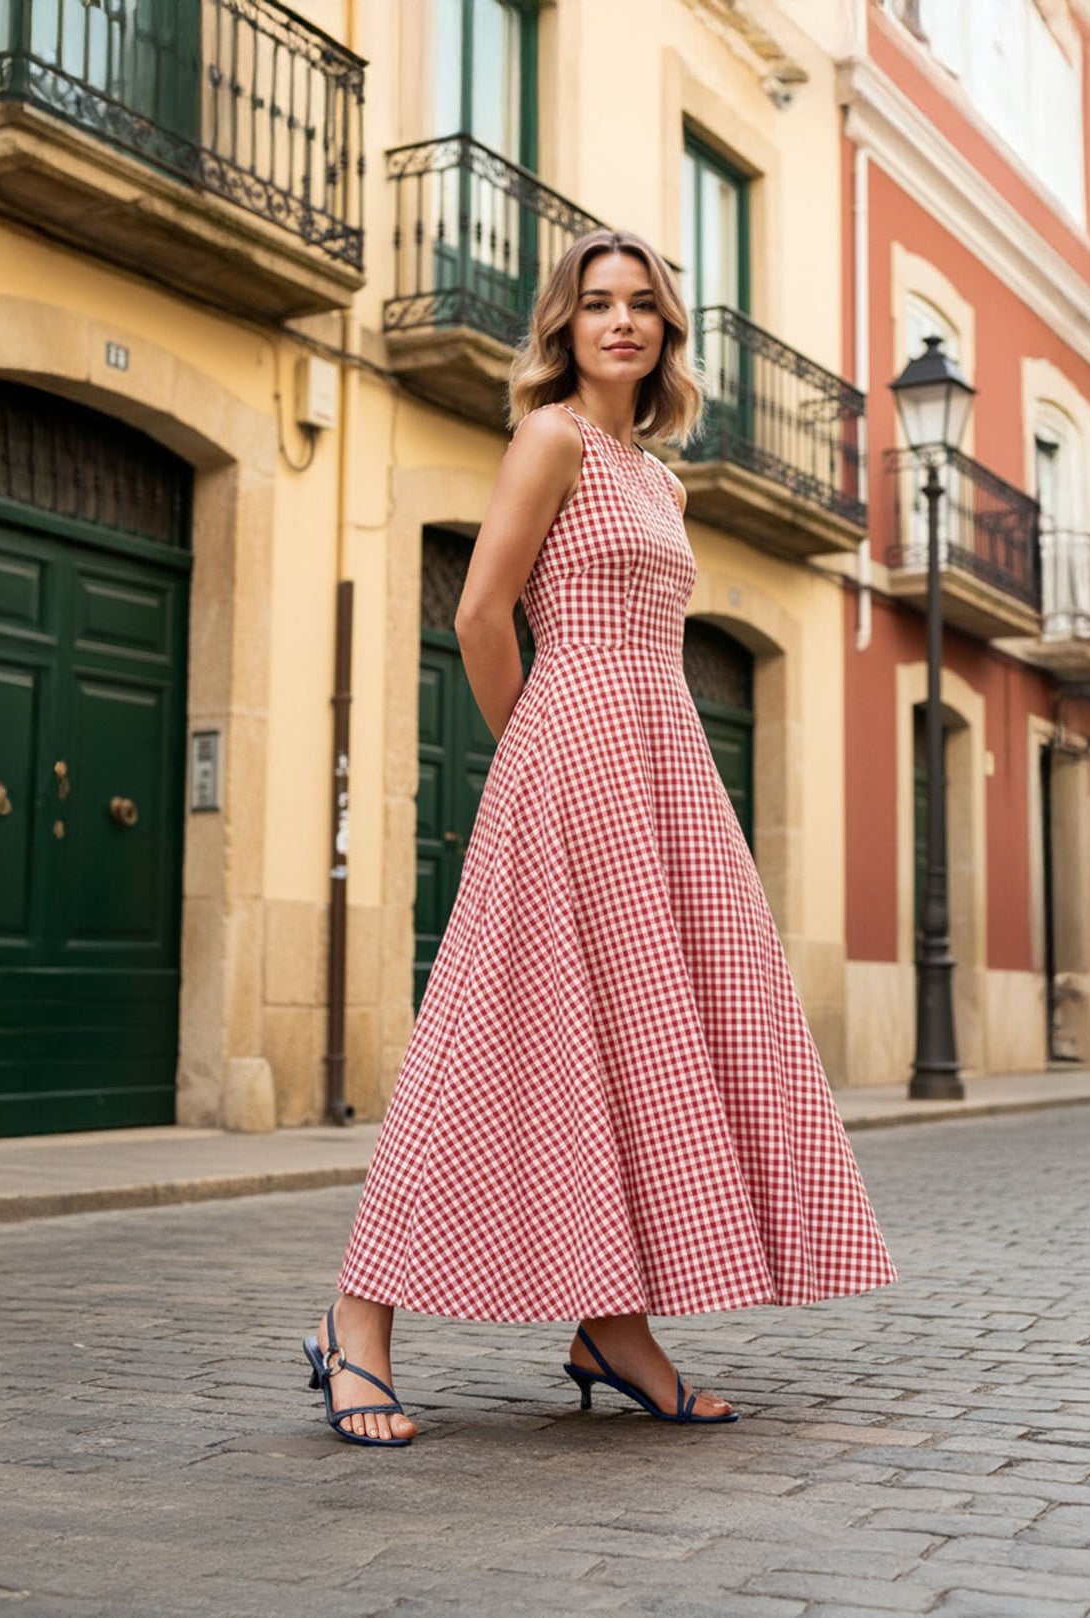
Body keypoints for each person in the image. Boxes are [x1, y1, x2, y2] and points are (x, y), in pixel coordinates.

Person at [305, 228, 897, 1447]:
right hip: (571, 753)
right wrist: (539, 746)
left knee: (632, 1042)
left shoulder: (657, 479)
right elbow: (481, 614)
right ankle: (356, 1322)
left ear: (665, 330)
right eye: (594, 303)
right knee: (485, 1036)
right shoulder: (551, 438)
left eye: (638, 304)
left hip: (661, 767)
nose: (618, 321)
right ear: (563, 327)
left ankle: (613, 1328)